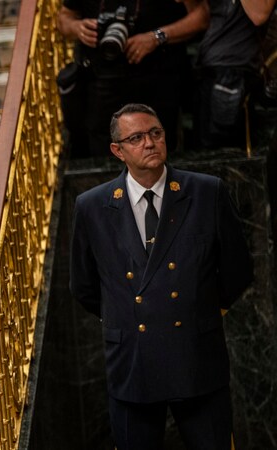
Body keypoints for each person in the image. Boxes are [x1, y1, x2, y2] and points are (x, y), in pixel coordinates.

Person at [70, 103, 253, 448]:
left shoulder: (205, 191)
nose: (150, 143)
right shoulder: (92, 206)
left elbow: (238, 268)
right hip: (132, 363)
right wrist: (125, 315)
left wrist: (202, 311)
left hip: (197, 358)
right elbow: (83, 285)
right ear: (117, 151)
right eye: (136, 138)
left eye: (155, 133)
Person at [57, 0, 209, 156]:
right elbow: (64, 18)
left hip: (159, 79)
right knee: (105, 151)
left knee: (157, 150)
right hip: (101, 81)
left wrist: (157, 37)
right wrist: (77, 28)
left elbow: (201, 16)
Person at [196, 0, 275, 148]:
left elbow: (259, 15)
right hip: (208, 66)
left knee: (226, 154)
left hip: (235, 71)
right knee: (206, 150)